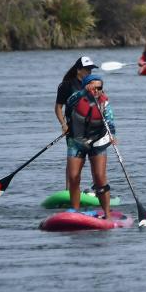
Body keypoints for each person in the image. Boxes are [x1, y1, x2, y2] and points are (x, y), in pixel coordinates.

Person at [64, 75, 115, 217]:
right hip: (76, 141)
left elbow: (110, 121)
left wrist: (112, 134)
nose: (97, 91)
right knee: (73, 176)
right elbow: (68, 104)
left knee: (99, 177)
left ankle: (107, 214)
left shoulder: (104, 103)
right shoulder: (76, 98)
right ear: (86, 87)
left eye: (99, 88)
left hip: (98, 141)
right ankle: (75, 211)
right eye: (93, 88)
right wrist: (83, 93)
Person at [55, 56, 97, 135]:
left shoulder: (92, 84)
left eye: (91, 69)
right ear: (78, 70)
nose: (90, 72)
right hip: (73, 129)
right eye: (87, 69)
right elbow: (58, 108)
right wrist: (64, 125)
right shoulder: (66, 85)